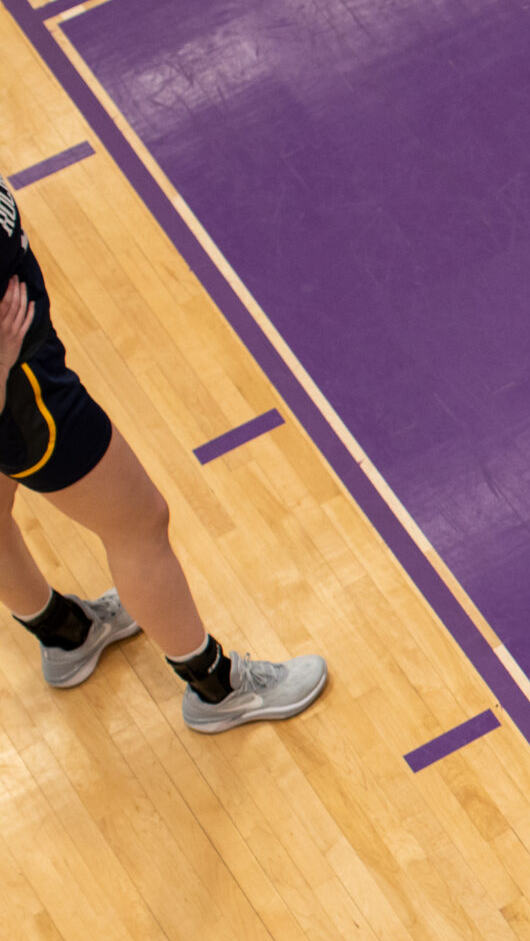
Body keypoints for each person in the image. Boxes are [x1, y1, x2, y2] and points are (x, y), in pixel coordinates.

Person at [0, 172, 325, 731]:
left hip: (20, 386)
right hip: (30, 401)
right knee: (140, 524)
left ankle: (66, 633)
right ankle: (217, 688)